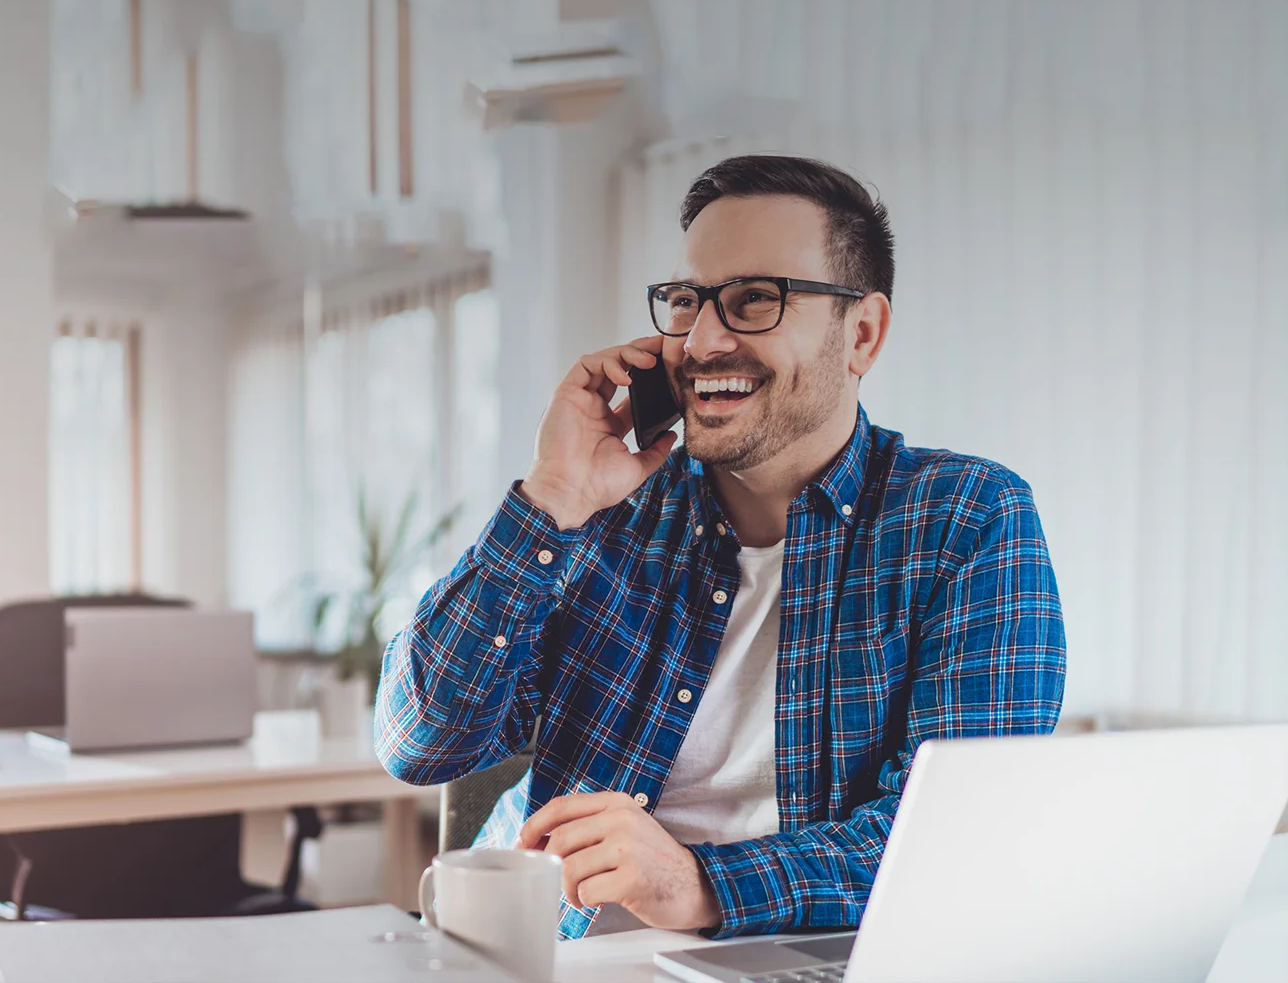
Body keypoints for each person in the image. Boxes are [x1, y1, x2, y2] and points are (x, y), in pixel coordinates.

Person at [375, 154, 1065, 939]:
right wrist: (551, 499)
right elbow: (418, 743)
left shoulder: (964, 519)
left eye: (753, 301)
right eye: (685, 301)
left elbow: (957, 843)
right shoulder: (604, 511)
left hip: (792, 955)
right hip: (551, 952)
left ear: (862, 334)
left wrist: (697, 884)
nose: (701, 340)